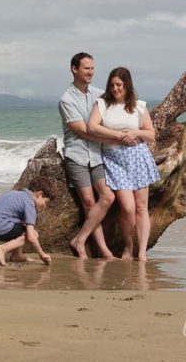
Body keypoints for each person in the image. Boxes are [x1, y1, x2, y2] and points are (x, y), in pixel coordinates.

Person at [59, 52, 133, 259]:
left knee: (108, 197)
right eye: (86, 68)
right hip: (77, 156)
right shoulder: (66, 99)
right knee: (89, 202)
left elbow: (120, 110)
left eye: (92, 68)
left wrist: (135, 130)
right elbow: (83, 131)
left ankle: (79, 239)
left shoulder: (100, 95)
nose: (91, 72)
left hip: (98, 155)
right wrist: (118, 137)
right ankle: (104, 251)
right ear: (74, 69)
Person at [87, 67, 160, 261]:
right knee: (127, 207)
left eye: (119, 85)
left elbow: (151, 135)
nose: (115, 89)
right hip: (114, 159)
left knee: (141, 207)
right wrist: (118, 136)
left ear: (127, 85)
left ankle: (142, 252)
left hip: (138, 157)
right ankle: (128, 245)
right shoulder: (102, 104)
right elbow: (91, 127)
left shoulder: (138, 106)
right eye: (112, 85)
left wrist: (136, 133)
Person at [0, 178, 54, 266]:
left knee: (20, 226)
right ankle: (2, 249)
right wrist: (42, 254)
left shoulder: (15, 194)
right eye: (46, 202)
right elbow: (30, 237)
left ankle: (16, 255)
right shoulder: (30, 203)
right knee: (33, 233)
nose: (45, 206)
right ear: (39, 194)